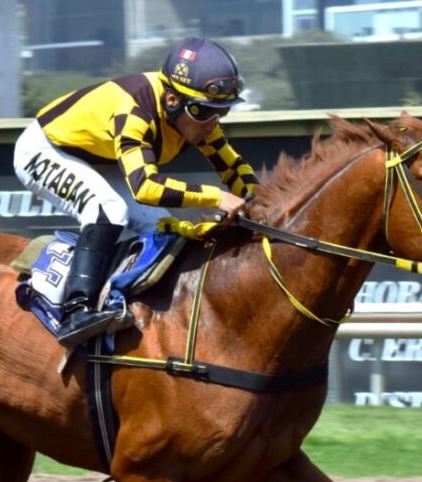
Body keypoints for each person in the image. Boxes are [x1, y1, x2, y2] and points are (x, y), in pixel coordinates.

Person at [14, 37, 259, 348]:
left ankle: (128, 304)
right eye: (204, 111)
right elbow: (145, 187)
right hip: (44, 150)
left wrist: (260, 202)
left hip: (100, 157)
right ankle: (77, 310)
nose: (212, 123)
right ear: (172, 101)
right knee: (107, 209)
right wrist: (217, 196)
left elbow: (233, 168)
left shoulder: (194, 117)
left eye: (221, 112)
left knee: (160, 227)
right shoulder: (136, 112)